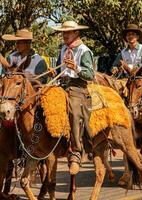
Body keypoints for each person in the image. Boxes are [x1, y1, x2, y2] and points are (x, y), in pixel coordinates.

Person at [52, 20, 95, 175]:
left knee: (74, 112)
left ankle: (77, 151)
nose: (64, 35)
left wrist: (75, 67)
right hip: (61, 86)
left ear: (76, 33)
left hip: (78, 88)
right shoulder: (63, 49)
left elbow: (90, 75)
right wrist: (54, 73)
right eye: (63, 32)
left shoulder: (84, 51)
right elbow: (58, 71)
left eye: (68, 32)